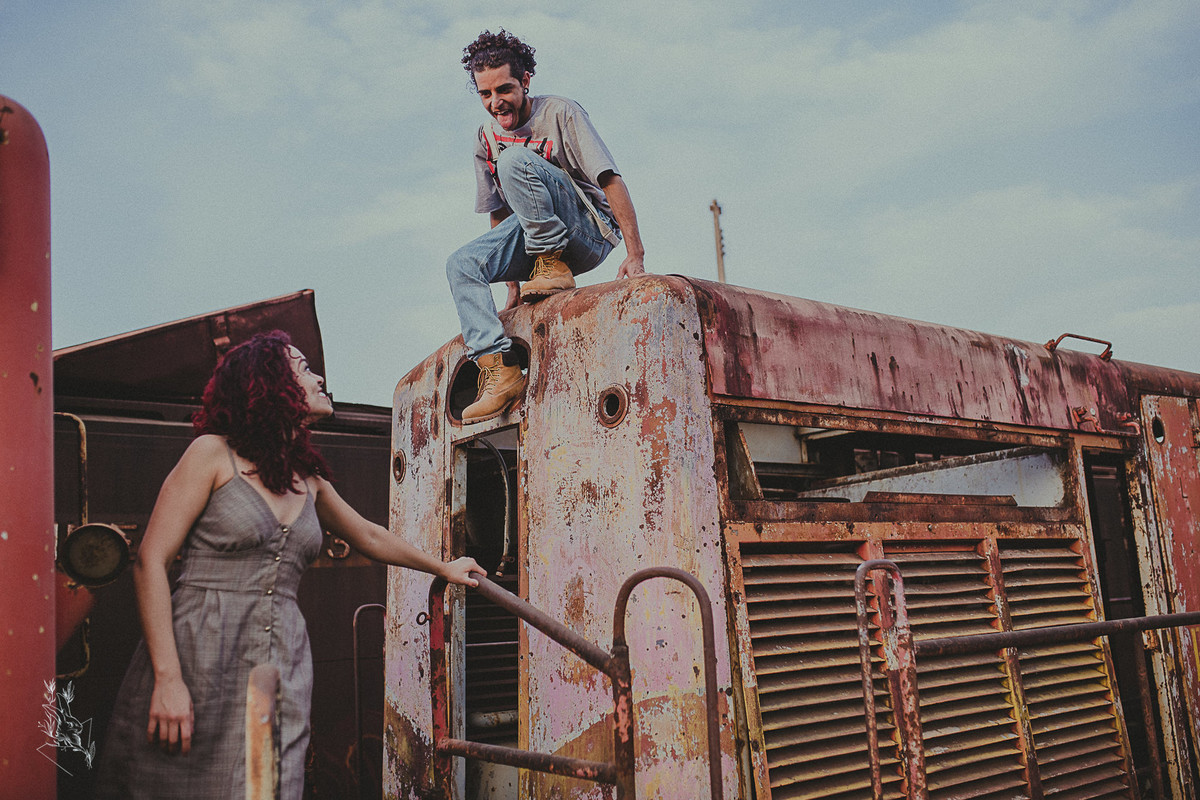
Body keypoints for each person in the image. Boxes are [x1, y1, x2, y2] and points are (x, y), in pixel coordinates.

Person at [95, 331, 483, 799]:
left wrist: (444, 568)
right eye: (303, 368)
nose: (318, 378)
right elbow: (150, 562)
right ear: (269, 383)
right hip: (199, 648)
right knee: (175, 781)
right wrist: (168, 678)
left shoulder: (308, 480)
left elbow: (369, 535)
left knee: (270, 782)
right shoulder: (212, 454)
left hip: (283, 654)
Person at [447, 29, 647, 422]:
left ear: (525, 81)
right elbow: (498, 215)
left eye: (504, 89)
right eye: (485, 94)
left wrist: (635, 253)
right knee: (461, 265)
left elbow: (610, 179)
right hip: (532, 241)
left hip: (587, 231)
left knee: (513, 160)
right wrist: (511, 286)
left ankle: (552, 262)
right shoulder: (485, 138)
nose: (495, 102)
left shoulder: (560, 113)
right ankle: (498, 369)